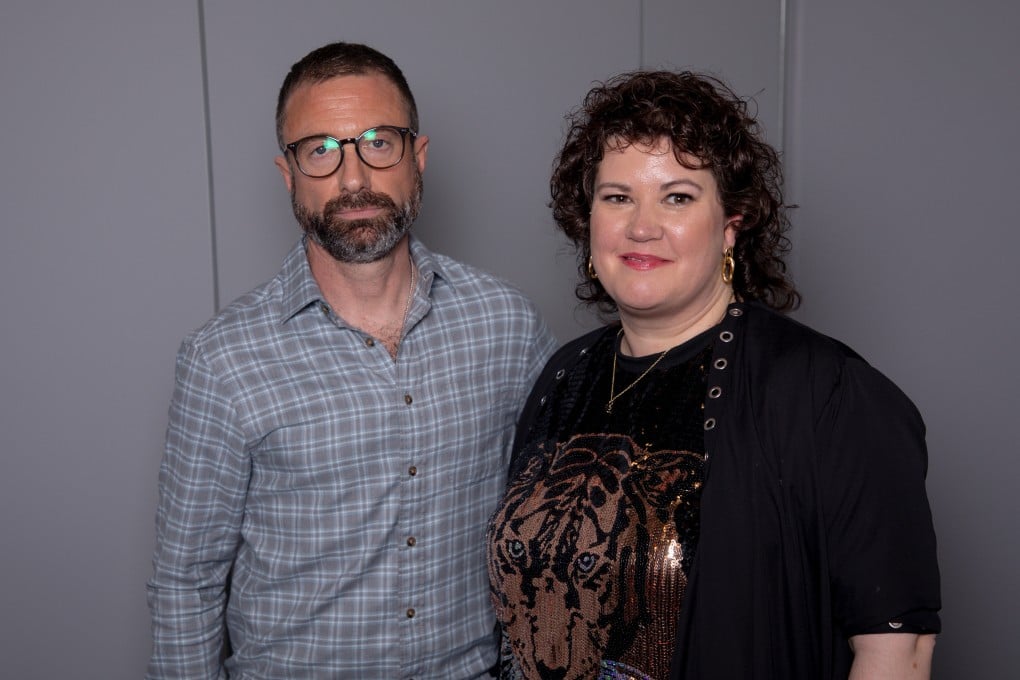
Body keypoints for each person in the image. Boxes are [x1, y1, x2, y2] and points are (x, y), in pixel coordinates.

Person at [486, 71, 940, 680]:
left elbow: (898, 648)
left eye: (677, 197)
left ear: (732, 222)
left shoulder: (826, 392)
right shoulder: (563, 375)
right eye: (617, 197)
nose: (640, 226)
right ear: (586, 219)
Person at [147, 41, 557, 678]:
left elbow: (548, 539)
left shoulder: (508, 326)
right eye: (321, 151)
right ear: (288, 175)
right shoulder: (222, 360)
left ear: (417, 158)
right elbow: (185, 586)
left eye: (378, 142)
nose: (353, 178)